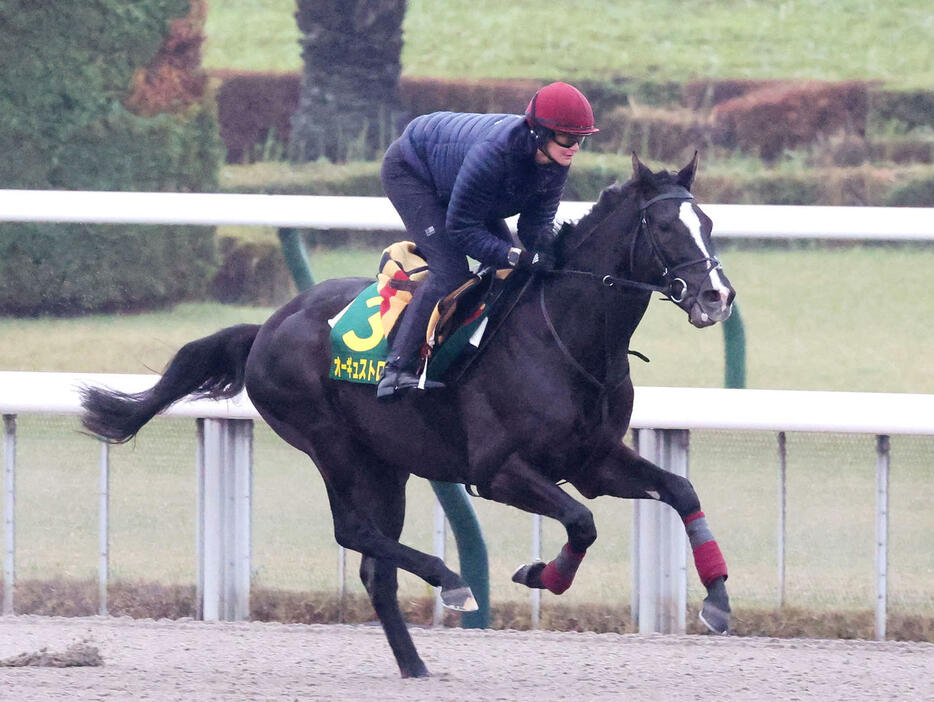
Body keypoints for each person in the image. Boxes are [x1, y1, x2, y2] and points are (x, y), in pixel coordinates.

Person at [376, 81, 599, 400]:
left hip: (463, 180)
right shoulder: (494, 154)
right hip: (414, 172)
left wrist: (554, 254)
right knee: (451, 271)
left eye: (581, 139)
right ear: (540, 132)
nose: (575, 147)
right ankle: (396, 371)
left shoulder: (556, 158)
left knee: (510, 273)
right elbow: (461, 230)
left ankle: (480, 355)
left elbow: (535, 227)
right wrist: (516, 256)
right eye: (568, 137)